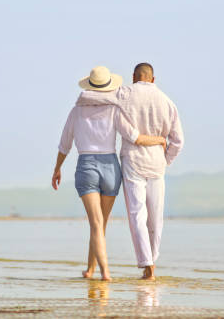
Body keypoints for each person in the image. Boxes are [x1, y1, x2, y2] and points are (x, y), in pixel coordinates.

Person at [52, 66, 166, 281]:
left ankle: (105, 272)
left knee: (95, 224)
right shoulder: (115, 109)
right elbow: (135, 137)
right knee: (100, 225)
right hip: (110, 168)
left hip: (87, 167)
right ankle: (91, 269)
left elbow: (64, 144)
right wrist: (159, 140)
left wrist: (57, 169)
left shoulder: (77, 111)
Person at [76, 63, 184, 280]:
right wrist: (166, 161)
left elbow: (90, 97)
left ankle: (147, 263)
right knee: (156, 215)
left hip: (133, 159)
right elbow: (178, 141)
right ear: (153, 79)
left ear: (134, 77)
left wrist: (82, 98)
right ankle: (152, 263)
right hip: (156, 160)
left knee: (137, 213)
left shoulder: (123, 93)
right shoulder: (167, 101)